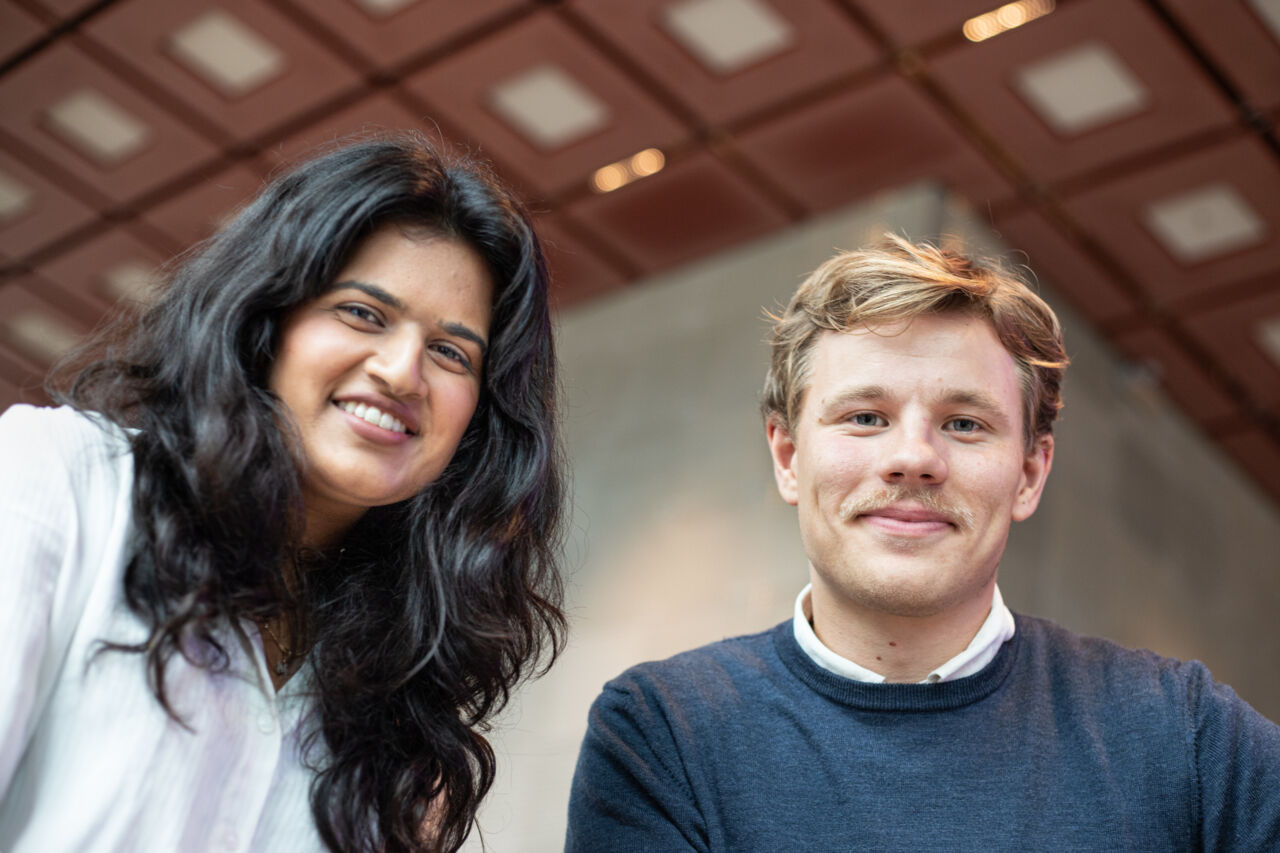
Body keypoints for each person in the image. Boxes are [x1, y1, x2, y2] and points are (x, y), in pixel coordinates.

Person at [566, 236, 1280, 851]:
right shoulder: (663, 733)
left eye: (965, 423)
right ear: (787, 457)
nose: (913, 458)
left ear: (1030, 473)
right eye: (865, 416)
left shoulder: (1184, 732)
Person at [0, 133, 566, 853]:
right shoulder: (63, 479)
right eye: (363, 312)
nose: (402, 372)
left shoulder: (410, 718)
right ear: (267, 318)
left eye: (451, 352)